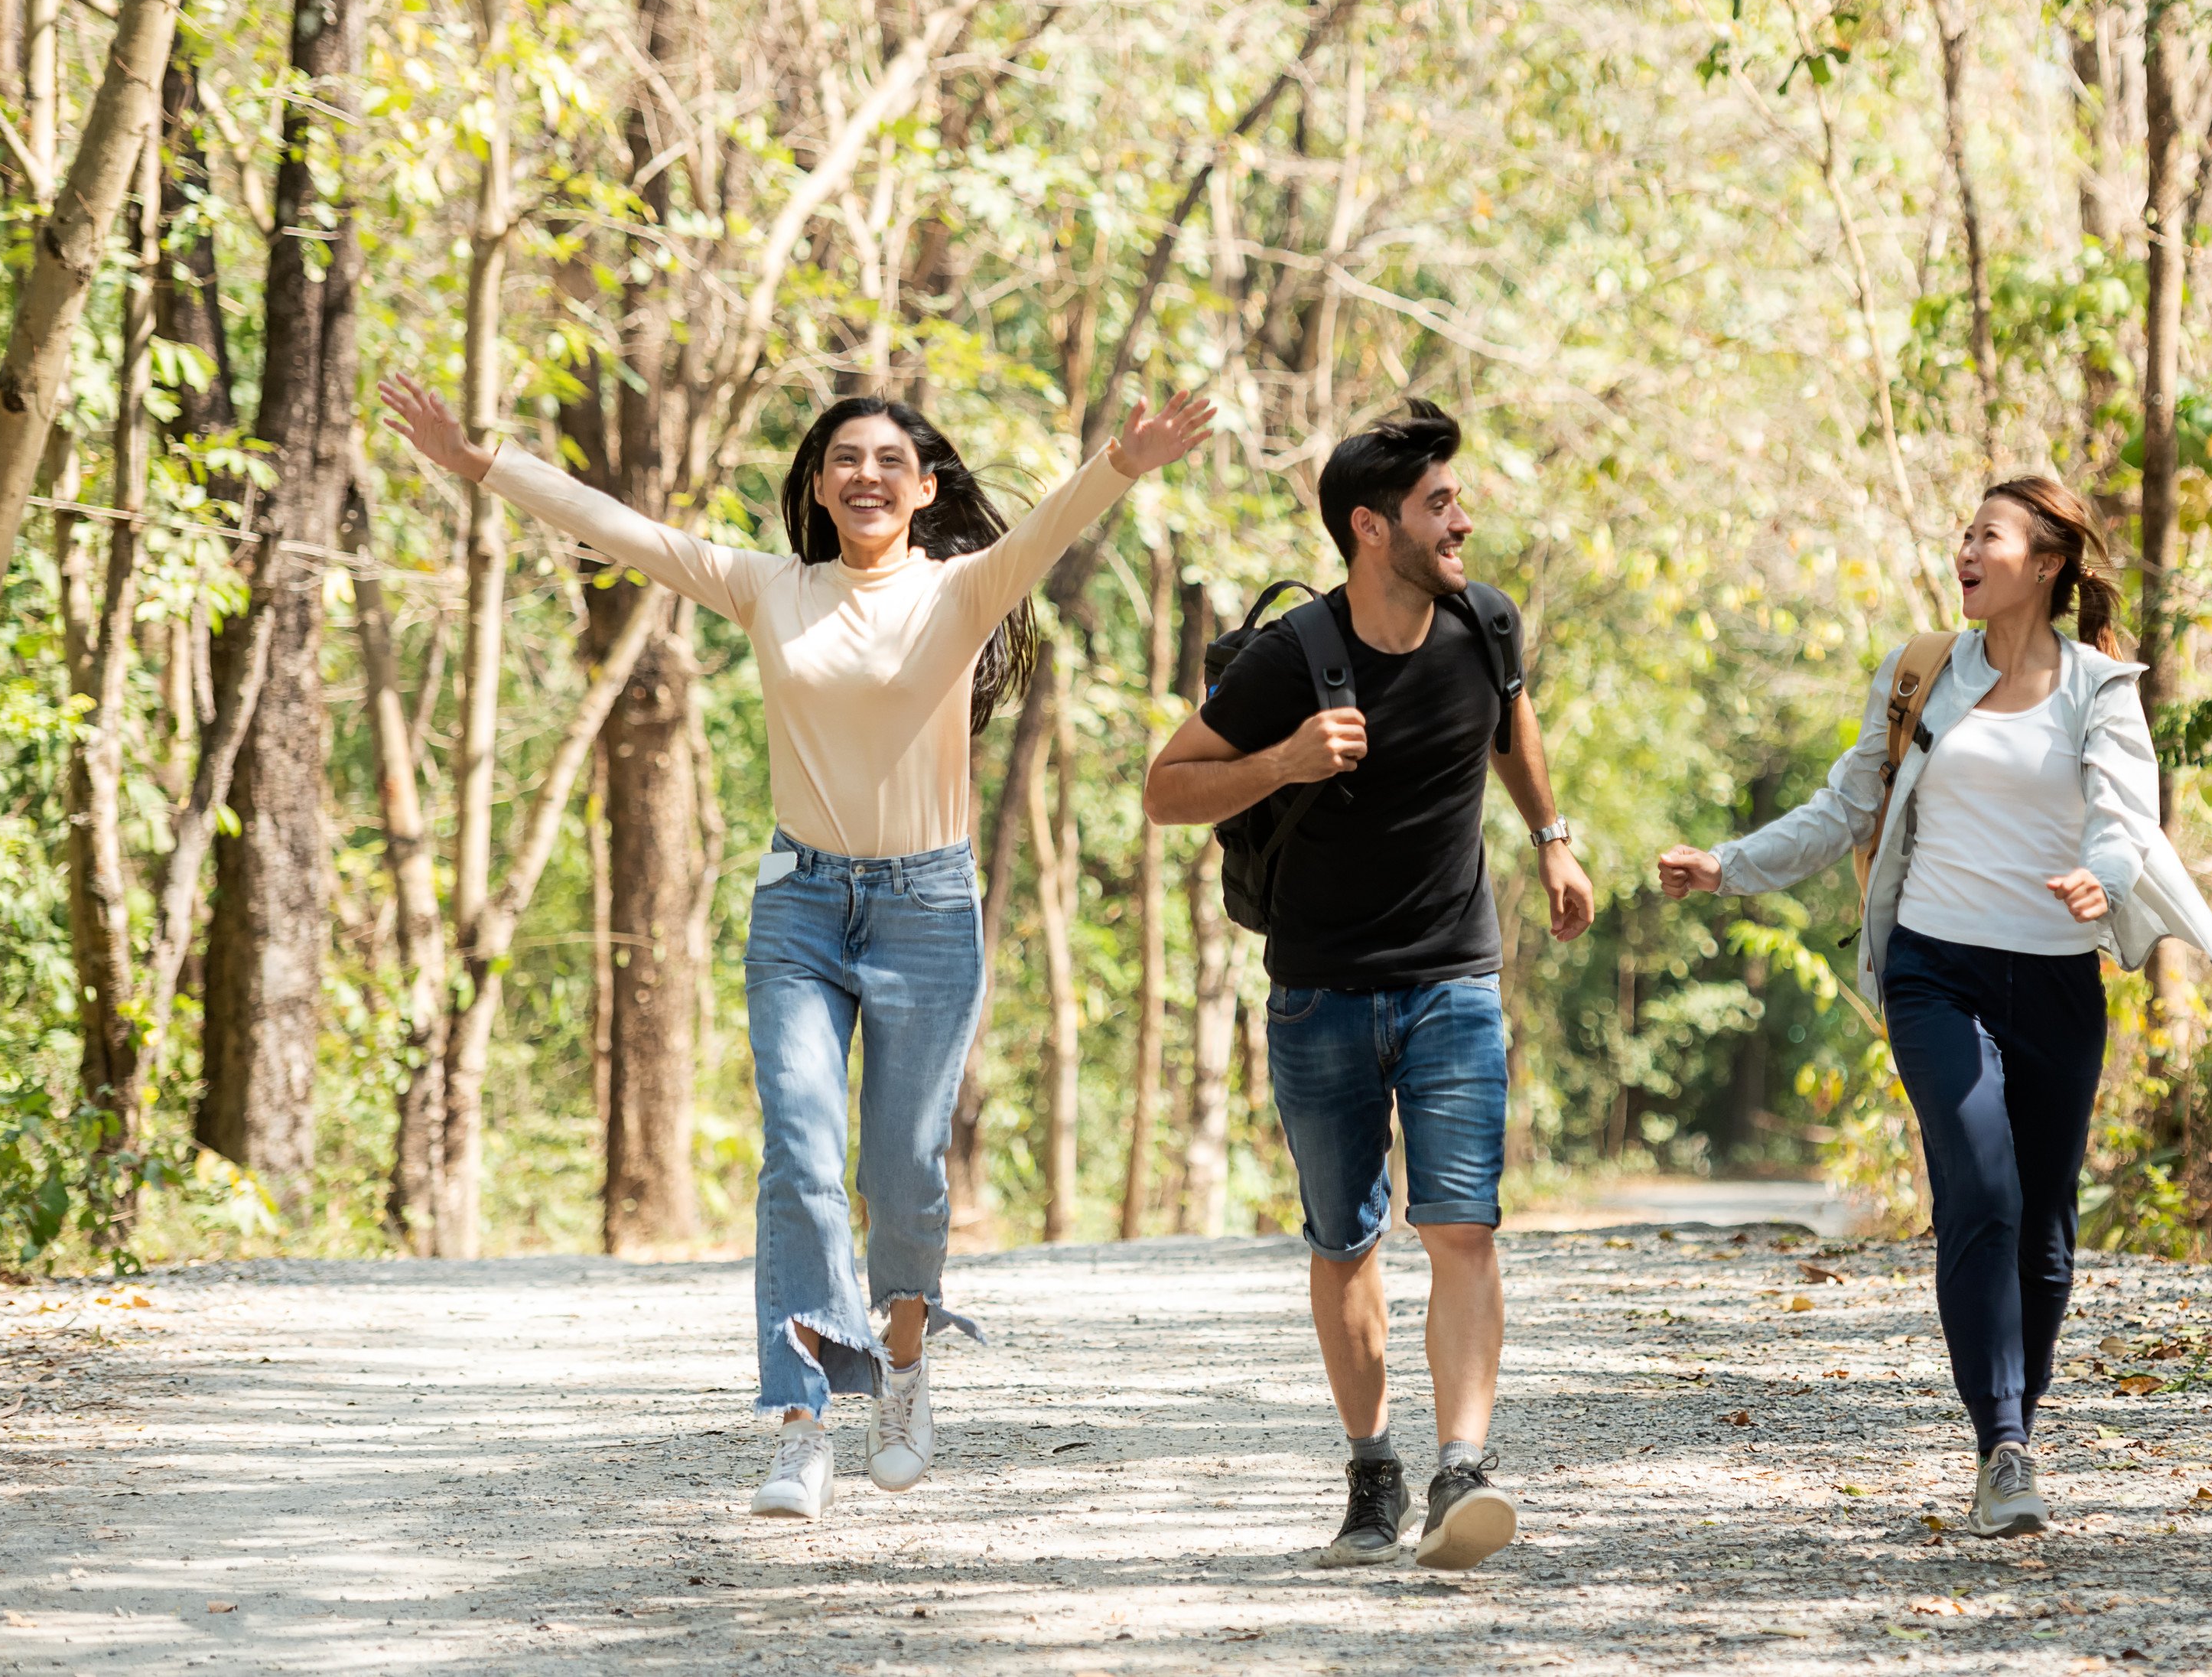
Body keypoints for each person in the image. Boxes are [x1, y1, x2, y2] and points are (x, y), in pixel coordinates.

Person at [385, 373, 1213, 1522]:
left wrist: (1127, 460)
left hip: (928, 908)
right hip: (801, 908)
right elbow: (618, 528)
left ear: (925, 489)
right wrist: (480, 461)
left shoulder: (965, 589)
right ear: (819, 488)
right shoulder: (770, 586)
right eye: (843, 460)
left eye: (888, 461)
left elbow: (1056, 521)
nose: (864, 475)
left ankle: (907, 1363)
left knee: (904, 1174)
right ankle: (802, 1419)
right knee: (799, 1158)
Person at [1654, 477, 2212, 1539]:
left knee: (2045, 1231)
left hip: (2056, 978)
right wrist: (1727, 866)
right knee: (1981, 1189)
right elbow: (1846, 806)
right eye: (1963, 533)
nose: (1963, 548)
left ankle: (2020, 1411)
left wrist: (2099, 876)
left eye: (1987, 535)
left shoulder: (2101, 687)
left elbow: (2123, 817)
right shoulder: (1922, 673)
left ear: (2045, 562)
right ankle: (2002, 1441)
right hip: (1934, 967)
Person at [1143, 400, 1593, 1571]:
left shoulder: (1483, 621)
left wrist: (1554, 836)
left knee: (1463, 1226)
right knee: (1345, 1241)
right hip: (1319, 990)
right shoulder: (1297, 654)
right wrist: (1284, 759)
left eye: (1459, 498)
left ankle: (1462, 1470)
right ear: (1370, 524)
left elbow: (1512, 727)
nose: (1465, 519)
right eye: (1441, 504)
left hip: (1454, 978)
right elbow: (1166, 787)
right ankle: (1373, 1467)